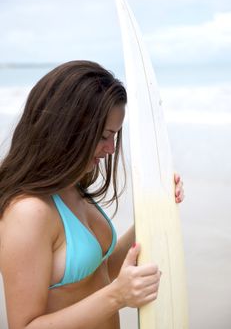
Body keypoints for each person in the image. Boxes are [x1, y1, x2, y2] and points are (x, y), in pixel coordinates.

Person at [0, 60, 184, 329]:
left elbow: (101, 272)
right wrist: (117, 296)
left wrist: (158, 210)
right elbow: (25, 326)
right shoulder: (29, 212)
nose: (111, 148)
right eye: (103, 135)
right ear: (66, 129)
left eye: (115, 135)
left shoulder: (71, 186)